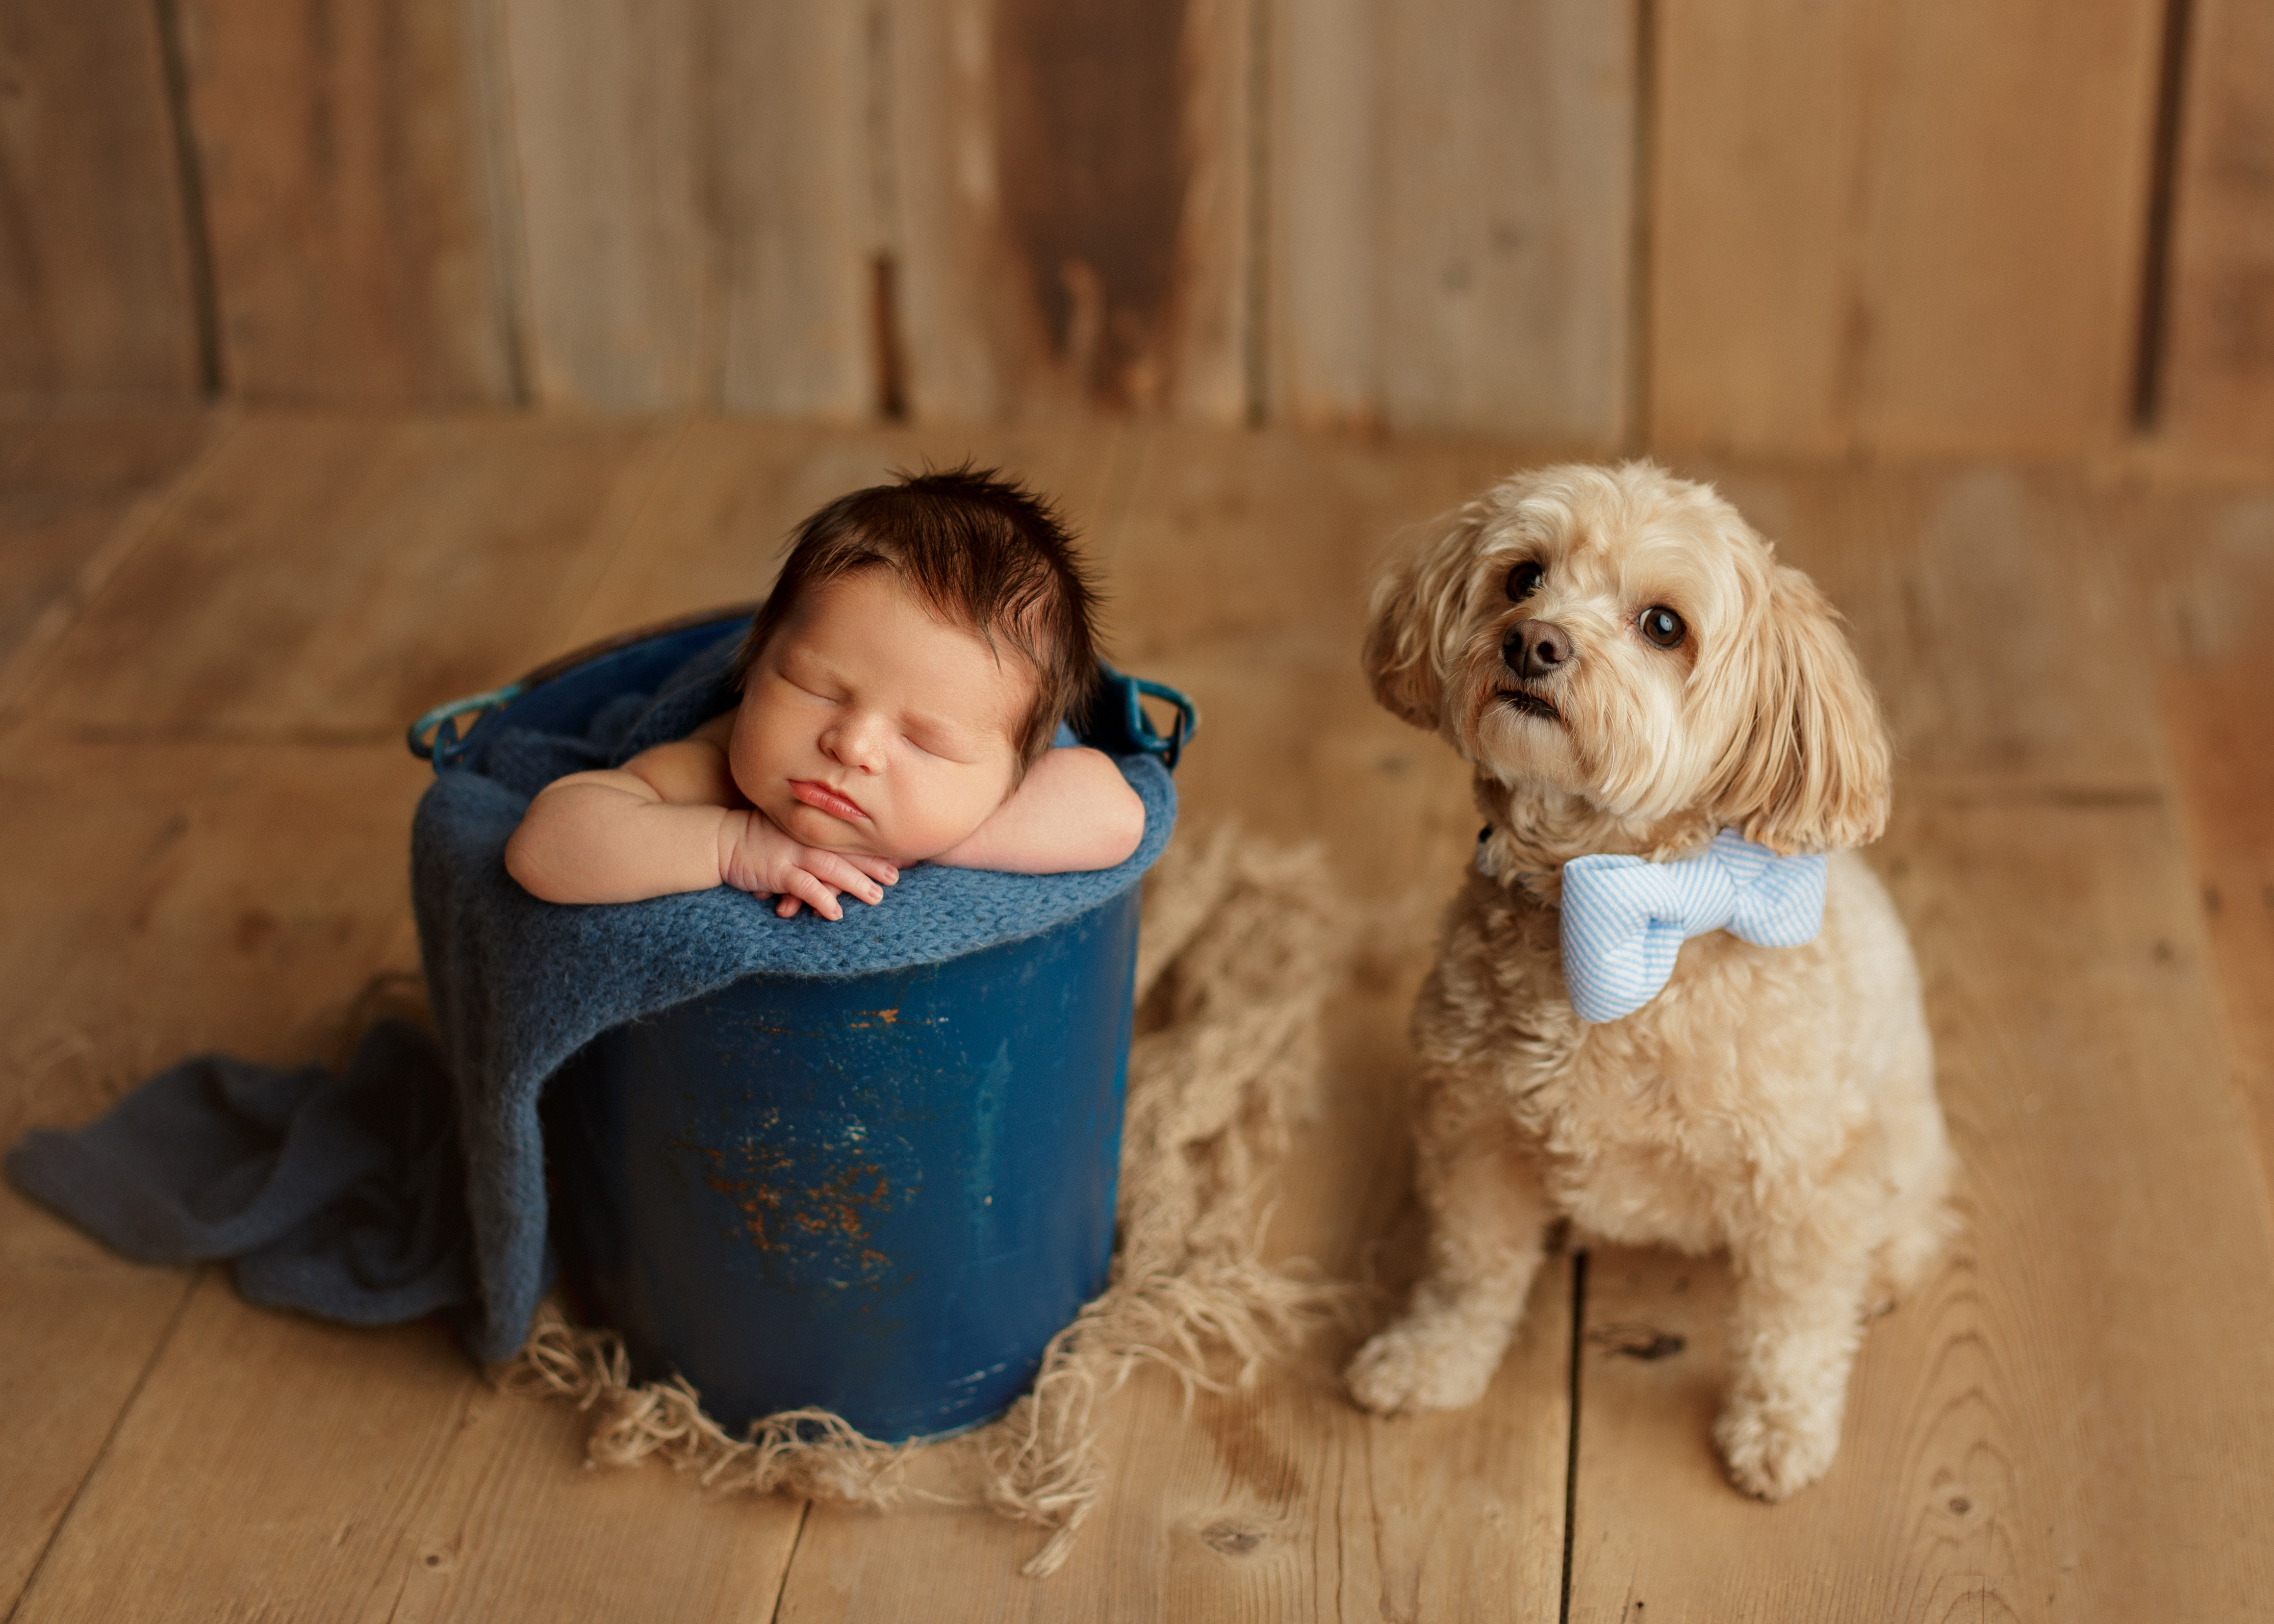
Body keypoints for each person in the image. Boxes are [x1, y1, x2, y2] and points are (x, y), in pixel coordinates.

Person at [505, 467, 1147, 917]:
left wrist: (930, 839)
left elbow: (1116, 817)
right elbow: (545, 848)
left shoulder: (984, 797)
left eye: (924, 740)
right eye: (816, 689)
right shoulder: (710, 772)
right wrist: (732, 847)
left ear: (1009, 775)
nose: (851, 744)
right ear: (755, 663)